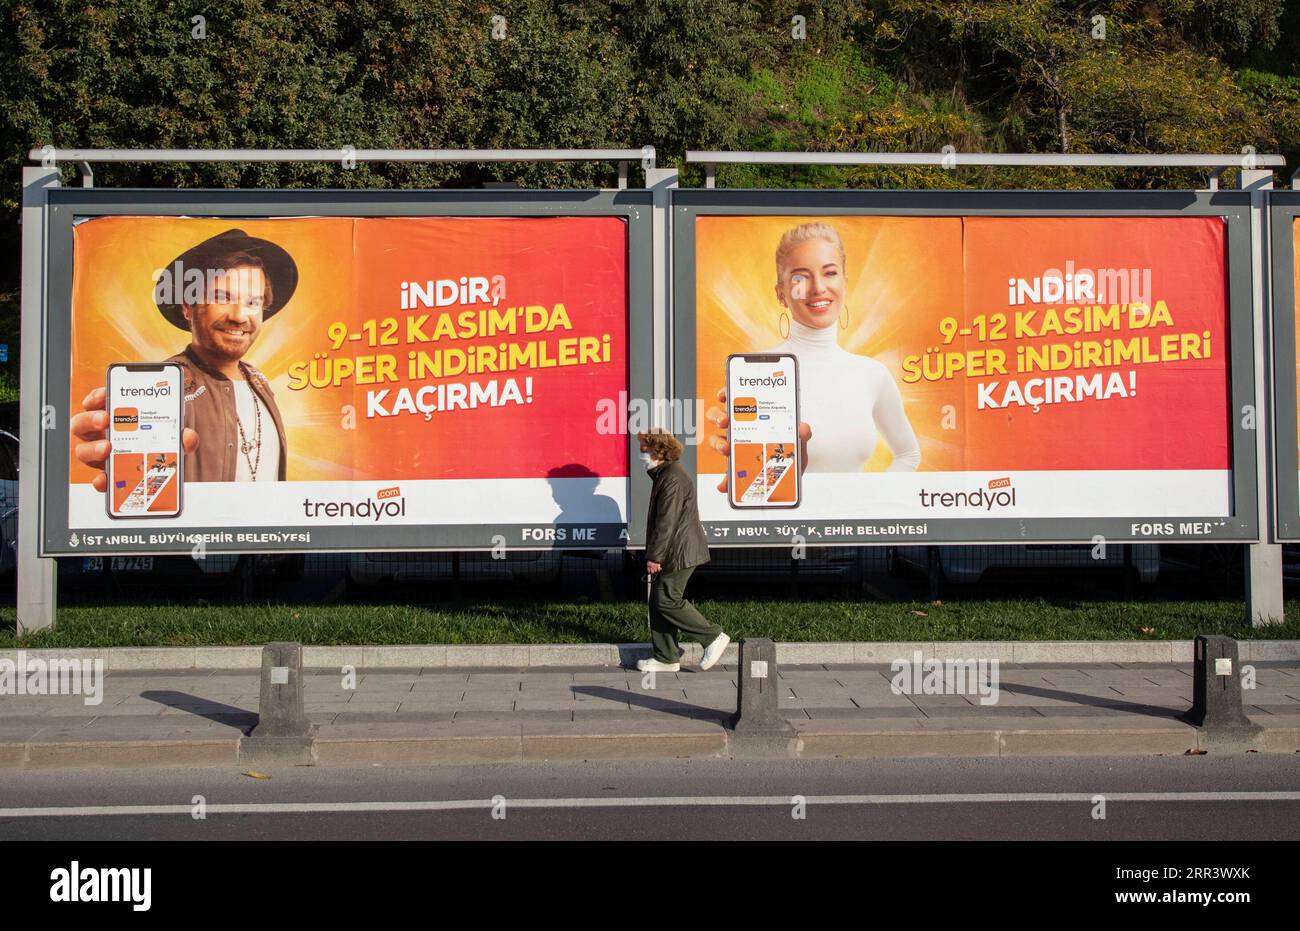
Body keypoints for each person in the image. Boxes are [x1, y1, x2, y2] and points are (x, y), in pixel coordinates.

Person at [72, 228, 297, 487]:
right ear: (188, 307)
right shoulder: (164, 386)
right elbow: (141, 484)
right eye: (222, 298)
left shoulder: (259, 381)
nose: (239, 315)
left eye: (253, 303)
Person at [708, 221, 921, 493]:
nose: (818, 287)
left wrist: (871, 503)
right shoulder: (756, 372)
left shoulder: (872, 374)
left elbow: (908, 455)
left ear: (844, 283)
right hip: (783, 530)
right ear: (781, 292)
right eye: (800, 277)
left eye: (830, 273)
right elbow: (757, 482)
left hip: (854, 532)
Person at [636, 428, 730, 673]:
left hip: (679, 550)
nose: (641, 455)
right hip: (676, 549)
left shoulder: (672, 478)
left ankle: (712, 637)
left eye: (644, 450)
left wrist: (655, 556)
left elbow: (667, 521)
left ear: (658, 451)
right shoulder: (666, 475)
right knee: (658, 601)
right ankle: (666, 657)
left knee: (666, 599)